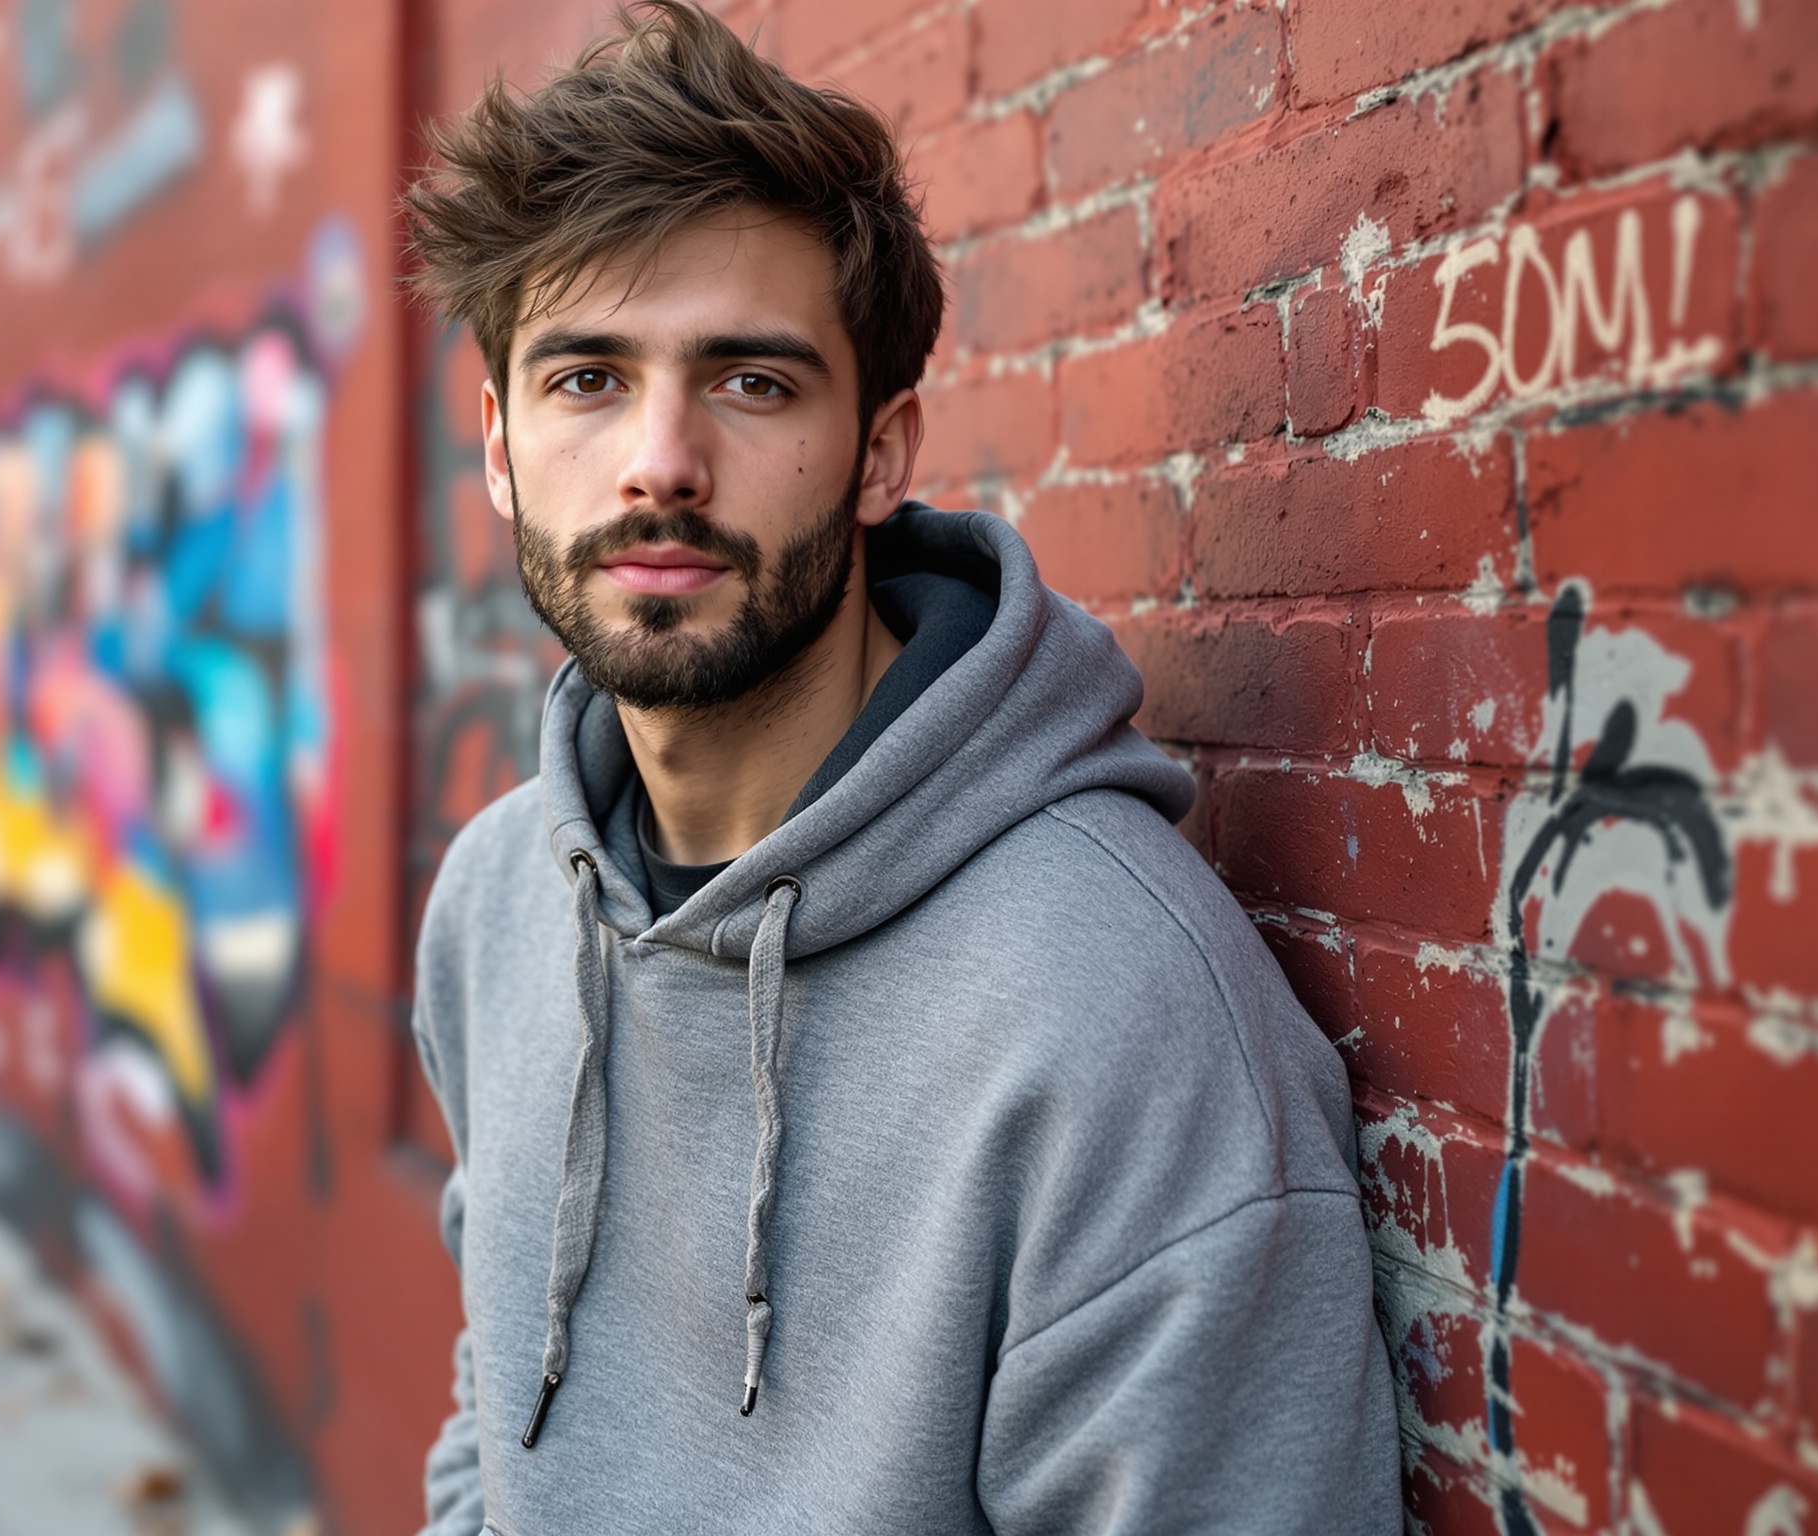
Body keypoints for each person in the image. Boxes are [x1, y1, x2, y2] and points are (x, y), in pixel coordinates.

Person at [398, 4, 1402, 1532]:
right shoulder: (495, 903)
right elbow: (494, 1424)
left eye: (752, 382)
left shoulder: (1114, 1011)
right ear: (498, 447)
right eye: (587, 379)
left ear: (881, 451)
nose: (659, 459)